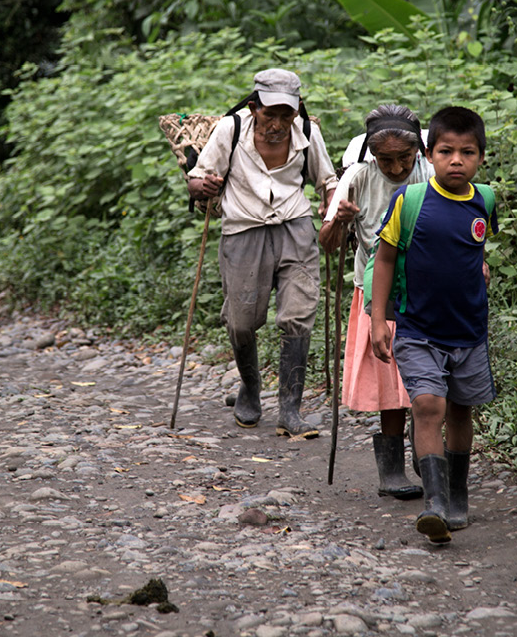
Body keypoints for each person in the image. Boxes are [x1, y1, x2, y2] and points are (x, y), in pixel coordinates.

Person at [369, 106, 498, 544]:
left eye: (467, 152)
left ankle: (457, 493)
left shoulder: (486, 200)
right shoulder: (410, 200)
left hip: (468, 331)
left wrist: (479, 267)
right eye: (446, 151)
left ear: (481, 157)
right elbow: (385, 260)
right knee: (427, 406)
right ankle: (436, 502)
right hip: (418, 328)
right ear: (429, 153)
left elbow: (475, 246)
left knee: (461, 410)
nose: (456, 160)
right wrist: (378, 320)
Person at [187, 69, 338, 438]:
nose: (278, 123)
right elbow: (196, 178)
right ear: (254, 107)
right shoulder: (231, 129)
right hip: (243, 229)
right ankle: (251, 389)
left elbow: (328, 181)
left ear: (297, 110)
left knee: (298, 315)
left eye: (286, 115)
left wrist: (332, 209)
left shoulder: (308, 132)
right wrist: (202, 185)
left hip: (296, 227)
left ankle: (290, 409)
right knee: (241, 321)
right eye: (270, 113)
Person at [319, 105, 431, 499]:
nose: (398, 168)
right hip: (378, 295)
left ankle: (426, 449)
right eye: (387, 160)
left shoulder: (429, 173)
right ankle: (392, 471)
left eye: (405, 158)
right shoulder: (358, 177)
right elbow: (327, 244)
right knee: (391, 382)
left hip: (427, 289)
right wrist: (340, 221)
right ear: (372, 154)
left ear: (418, 152)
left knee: (427, 376)